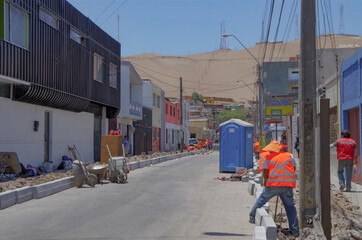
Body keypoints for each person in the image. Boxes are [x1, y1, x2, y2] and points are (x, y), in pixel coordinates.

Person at [249, 141, 299, 238]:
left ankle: (252, 216)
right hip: (287, 185)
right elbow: (294, 167)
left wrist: (267, 182)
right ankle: (295, 230)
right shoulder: (289, 155)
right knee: (290, 208)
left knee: (261, 200)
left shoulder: (268, 157)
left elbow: (265, 172)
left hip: (273, 184)